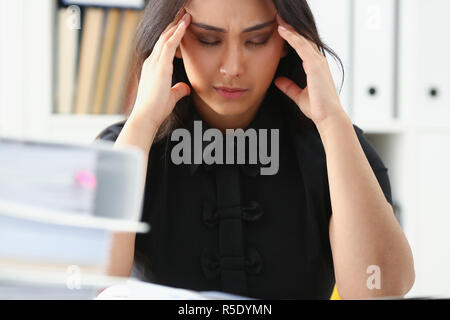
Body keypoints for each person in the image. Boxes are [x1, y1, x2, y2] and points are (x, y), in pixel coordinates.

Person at [96, 0, 415, 299]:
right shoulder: (125, 148)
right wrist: (141, 124)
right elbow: (91, 287)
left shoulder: (337, 149)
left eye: (258, 39)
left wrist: (333, 121)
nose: (233, 67)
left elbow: (379, 289)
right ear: (173, 43)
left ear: (286, 43)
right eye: (208, 39)